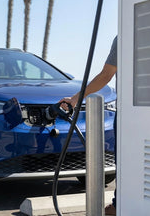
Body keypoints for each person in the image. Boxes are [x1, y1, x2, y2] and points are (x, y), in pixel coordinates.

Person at [59, 36, 117, 215]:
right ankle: (119, 204)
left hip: (134, 111)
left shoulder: (128, 28)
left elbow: (107, 74)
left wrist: (76, 99)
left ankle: (119, 205)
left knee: (128, 158)